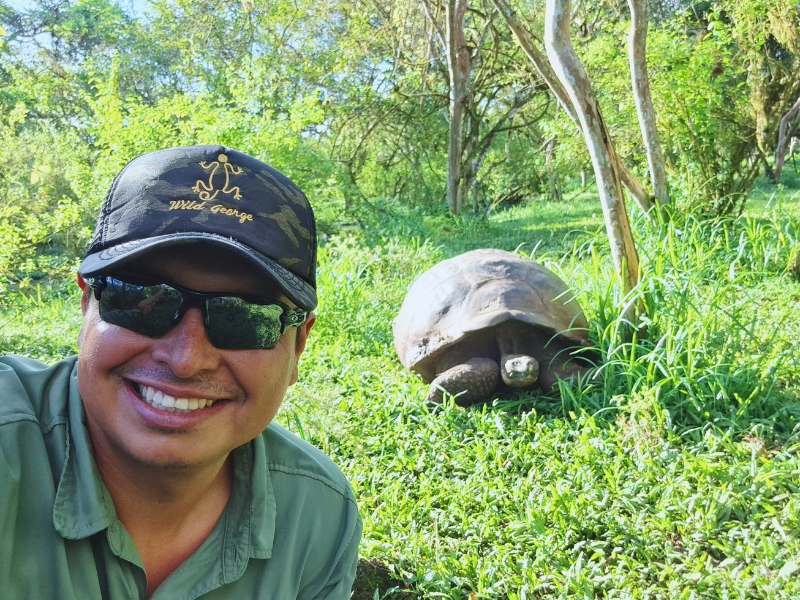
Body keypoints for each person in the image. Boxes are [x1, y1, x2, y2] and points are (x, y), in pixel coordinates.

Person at [0, 145, 362, 599]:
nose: (187, 358)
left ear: (298, 346)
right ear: (87, 303)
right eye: (139, 298)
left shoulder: (319, 518)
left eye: (245, 318)